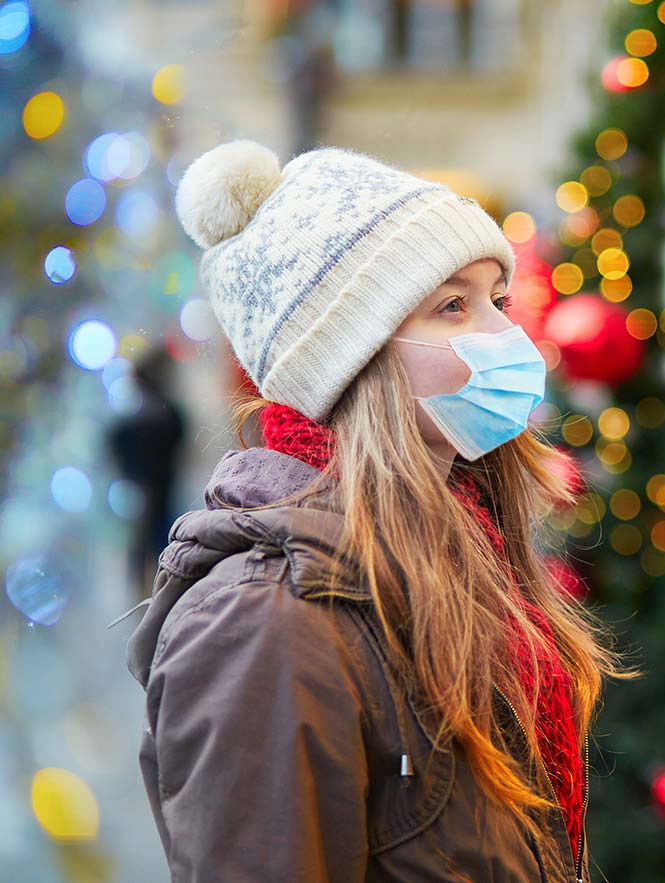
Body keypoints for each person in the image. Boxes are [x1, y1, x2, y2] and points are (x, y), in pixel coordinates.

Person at [120, 139, 635, 882]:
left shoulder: (466, 553)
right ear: (350, 358)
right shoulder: (265, 622)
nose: (504, 335)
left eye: (498, 299)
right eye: (452, 306)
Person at [104, 346, 187, 601]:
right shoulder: (164, 410)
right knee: (159, 539)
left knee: (145, 540)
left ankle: (148, 592)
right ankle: (163, 590)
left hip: (144, 486)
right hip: (156, 485)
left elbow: (114, 442)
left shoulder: (133, 414)